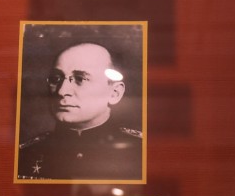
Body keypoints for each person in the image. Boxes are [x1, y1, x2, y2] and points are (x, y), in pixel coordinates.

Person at [18, 42, 143, 181]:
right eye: (55, 79)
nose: (61, 91)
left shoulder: (142, 153)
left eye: (80, 79)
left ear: (114, 93)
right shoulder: (24, 155)